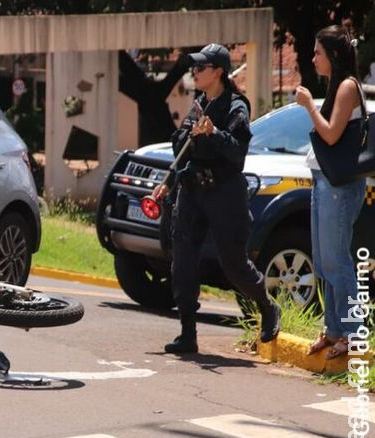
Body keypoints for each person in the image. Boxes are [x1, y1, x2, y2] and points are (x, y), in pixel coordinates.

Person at [152, 43, 280, 354]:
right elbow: (182, 148)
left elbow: (238, 152)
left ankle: (267, 307)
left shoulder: (236, 107)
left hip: (224, 192)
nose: (194, 72)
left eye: (201, 67)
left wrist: (214, 134)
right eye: (194, 67)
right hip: (192, 190)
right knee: (182, 260)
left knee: (234, 265)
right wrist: (168, 182)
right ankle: (187, 333)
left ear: (219, 72)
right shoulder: (199, 104)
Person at [295, 25, 366, 359]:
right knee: (324, 262)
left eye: (318, 53)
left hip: (338, 186)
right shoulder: (338, 86)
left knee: (337, 261)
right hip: (325, 181)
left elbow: (332, 134)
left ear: (334, 55)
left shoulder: (348, 86)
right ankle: (334, 329)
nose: (313, 59)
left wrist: (310, 106)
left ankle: (353, 332)